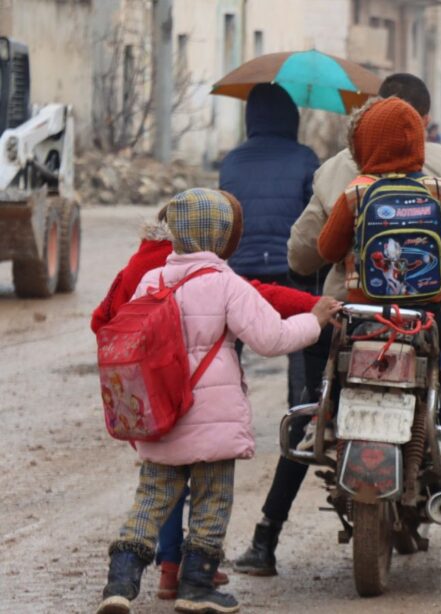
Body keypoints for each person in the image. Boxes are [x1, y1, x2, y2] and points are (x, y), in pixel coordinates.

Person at [235, 73, 441, 577]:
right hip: (423, 318)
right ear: (422, 126)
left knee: (317, 410)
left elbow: (304, 254)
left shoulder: (343, 177)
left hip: (351, 317)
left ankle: (264, 540)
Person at [95, 188, 341, 614]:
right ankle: (197, 586)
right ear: (222, 233)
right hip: (211, 419)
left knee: (151, 498)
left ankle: (120, 582)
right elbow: (271, 339)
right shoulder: (226, 284)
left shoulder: (152, 280)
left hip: (162, 413)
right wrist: (314, 320)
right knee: (212, 501)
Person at [219, 82, 321, 409]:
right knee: (303, 343)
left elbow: (225, 218)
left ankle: (225, 408)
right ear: (291, 119)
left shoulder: (231, 162)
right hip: (290, 271)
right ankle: (301, 415)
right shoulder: (306, 158)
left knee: (226, 349)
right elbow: (314, 219)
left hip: (240, 274)